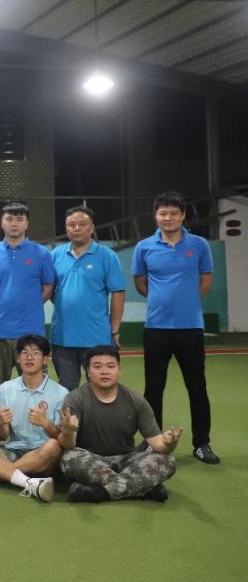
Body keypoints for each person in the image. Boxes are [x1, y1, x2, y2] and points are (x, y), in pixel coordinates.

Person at [132, 190, 218, 464]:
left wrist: (186, 303)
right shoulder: (144, 247)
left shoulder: (199, 245)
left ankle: (202, 444)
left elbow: (205, 281)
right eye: (162, 213)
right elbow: (141, 284)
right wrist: (163, 301)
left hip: (190, 328)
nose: (167, 218)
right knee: (154, 388)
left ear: (182, 216)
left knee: (197, 387)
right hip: (156, 328)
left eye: (173, 213)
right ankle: (152, 441)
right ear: (155, 216)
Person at [59, 345, 182, 503]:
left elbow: (156, 443)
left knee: (167, 461)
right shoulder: (75, 398)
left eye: (110, 366)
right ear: (88, 371)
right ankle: (142, 487)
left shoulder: (135, 400)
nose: (104, 371)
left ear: (119, 370)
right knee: (69, 457)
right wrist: (68, 431)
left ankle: (100, 493)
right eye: (97, 367)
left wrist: (169, 443)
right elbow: (68, 445)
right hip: (91, 460)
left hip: (127, 460)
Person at [0, 335, 63, 503]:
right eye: (24, 353)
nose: (29, 357)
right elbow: (3, 436)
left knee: (53, 446)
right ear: (18, 358)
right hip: (14, 450)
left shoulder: (60, 392)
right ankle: (28, 482)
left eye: (35, 353)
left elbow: (61, 439)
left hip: (42, 455)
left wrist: (46, 424)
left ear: (45, 358)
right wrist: (0, 422)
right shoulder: (5, 388)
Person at [0, 202, 55, 389]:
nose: (14, 223)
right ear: (2, 223)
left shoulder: (42, 253)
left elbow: (48, 288)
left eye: (19, 219)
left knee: (36, 386)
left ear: (27, 223)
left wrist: (31, 304)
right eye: (9, 219)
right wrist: (5, 304)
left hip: (32, 333)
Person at [50, 206, 125, 392]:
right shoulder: (55, 255)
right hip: (62, 338)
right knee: (67, 390)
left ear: (91, 227)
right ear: (66, 228)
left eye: (82, 224)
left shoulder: (107, 256)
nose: (76, 228)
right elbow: (50, 291)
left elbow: (118, 293)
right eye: (71, 224)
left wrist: (114, 330)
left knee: (99, 388)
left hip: (97, 338)